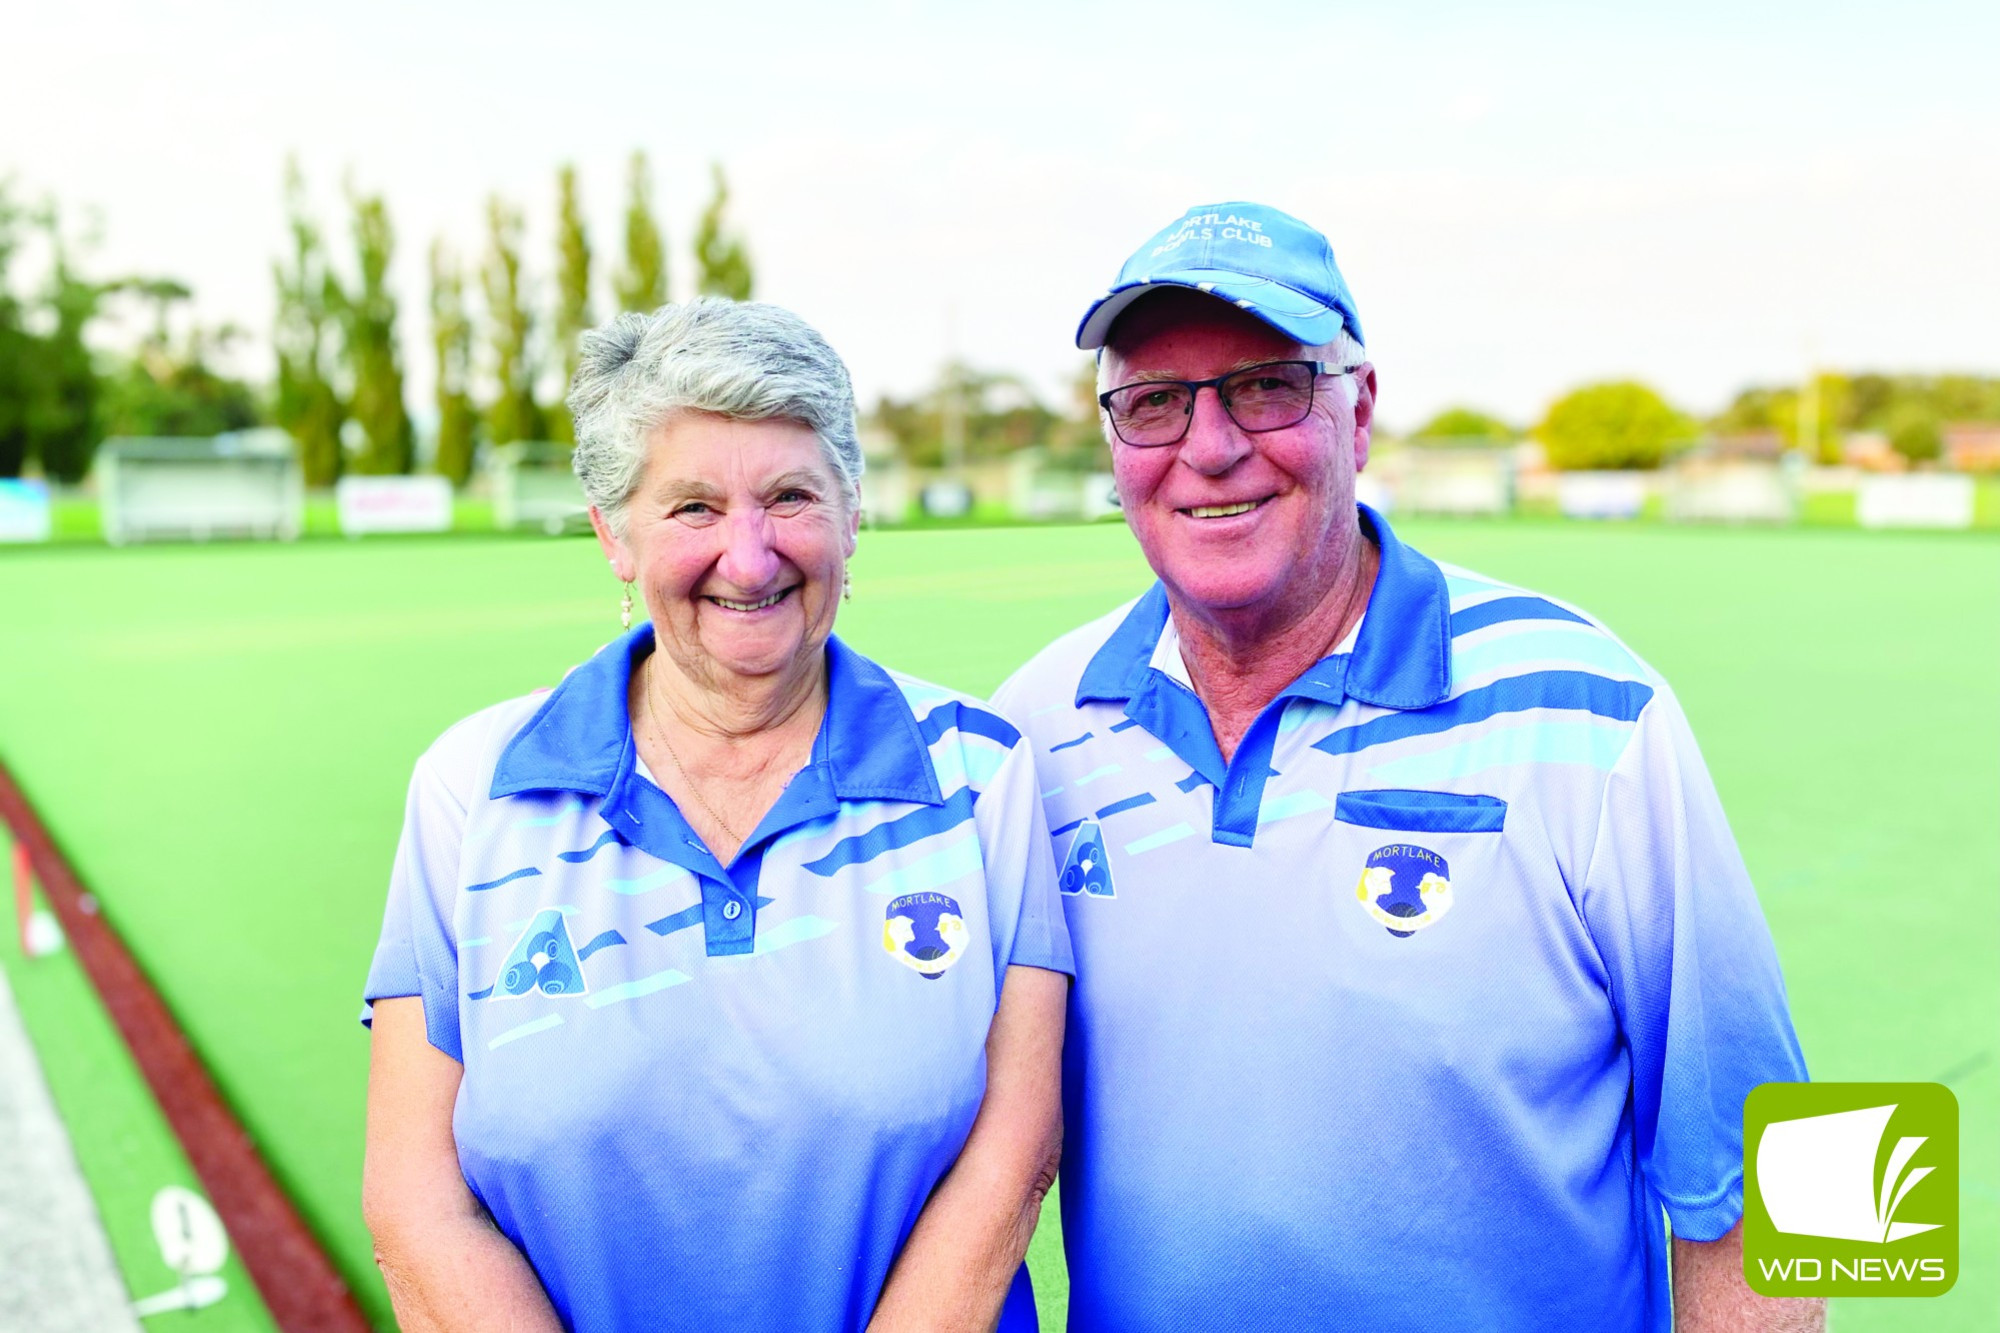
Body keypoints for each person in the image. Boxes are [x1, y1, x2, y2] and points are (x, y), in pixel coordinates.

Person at [993, 203, 1817, 1330]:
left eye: (1265, 385)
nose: (1210, 444)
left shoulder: (1589, 710)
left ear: (1359, 409)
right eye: (1153, 402)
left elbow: (1784, 1159)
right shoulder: (1034, 727)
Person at [362, 298, 1072, 1333]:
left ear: (852, 511)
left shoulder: (978, 776)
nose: (749, 556)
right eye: (692, 507)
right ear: (612, 533)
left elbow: (1010, 1162)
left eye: (789, 496)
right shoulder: (471, 786)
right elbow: (415, 1199)